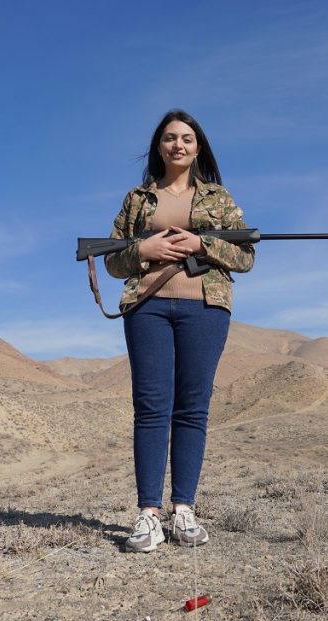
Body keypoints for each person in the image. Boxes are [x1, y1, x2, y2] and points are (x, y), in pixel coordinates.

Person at [105, 110, 254, 552]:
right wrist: (143, 249)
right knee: (151, 407)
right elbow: (113, 261)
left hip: (205, 308)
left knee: (192, 407)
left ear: (198, 147)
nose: (178, 145)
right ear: (159, 146)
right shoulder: (137, 199)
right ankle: (148, 515)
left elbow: (246, 257)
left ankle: (183, 510)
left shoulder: (219, 198)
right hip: (147, 308)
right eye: (170, 138)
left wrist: (201, 243)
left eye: (187, 138)